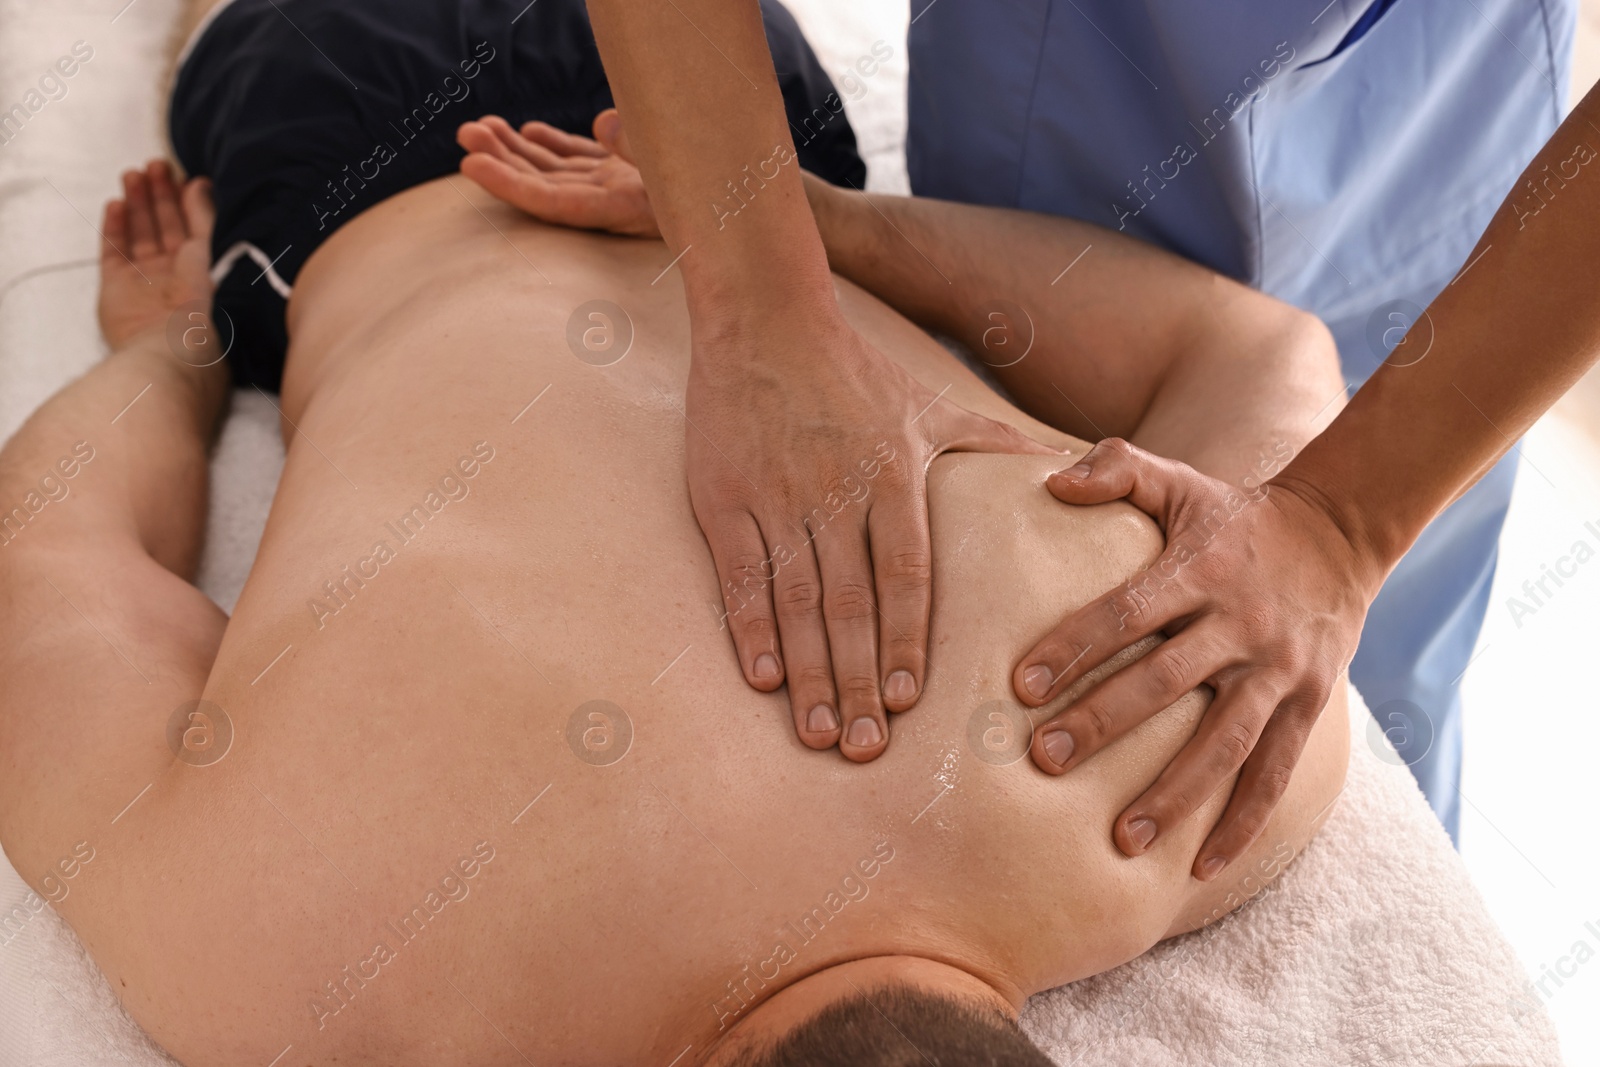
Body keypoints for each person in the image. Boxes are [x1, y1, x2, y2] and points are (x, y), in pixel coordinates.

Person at [0, 0, 1350, 1062]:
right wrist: (166, 353)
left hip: (727, 128)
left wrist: (817, 230)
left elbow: (1261, 354)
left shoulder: (1217, 754)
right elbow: (48, 565)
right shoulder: (292, 966)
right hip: (472, 154)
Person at [577, 0, 1600, 871]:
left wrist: (1345, 526)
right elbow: (1257, 350)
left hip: (1436, 131)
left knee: (1360, 731)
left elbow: (1258, 357)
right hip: (1056, 109)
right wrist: (764, 298)